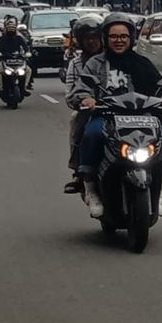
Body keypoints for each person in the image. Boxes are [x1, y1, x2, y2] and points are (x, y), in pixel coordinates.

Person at [71, 13, 162, 219]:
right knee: (91, 134)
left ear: (131, 38)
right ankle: (90, 187)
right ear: (106, 38)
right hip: (107, 116)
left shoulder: (144, 63)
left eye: (123, 36)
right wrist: (86, 99)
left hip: (145, 116)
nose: (119, 40)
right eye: (113, 36)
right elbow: (81, 88)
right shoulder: (94, 63)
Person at [63, 14, 105, 195]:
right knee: (76, 122)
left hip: (118, 109)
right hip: (89, 111)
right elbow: (70, 93)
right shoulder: (76, 64)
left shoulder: (112, 58)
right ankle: (78, 170)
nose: (92, 42)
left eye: (95, 38)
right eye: (87, 39)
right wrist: (83, 101)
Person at [0, 16, 33, 95]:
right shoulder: (2, 38)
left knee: (29, 68)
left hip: (18, 59)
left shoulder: (19, 38)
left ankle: (27, 86)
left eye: (13, 28)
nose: (11, 29)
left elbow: (25, 47)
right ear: (5, 28)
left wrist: (27, 52)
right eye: (9, 28)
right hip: (4, 58)